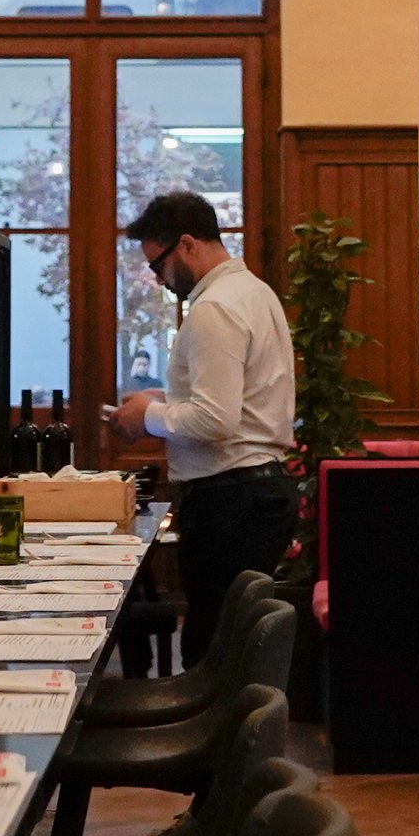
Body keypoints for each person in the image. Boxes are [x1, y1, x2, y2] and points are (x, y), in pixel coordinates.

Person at [106, 189, 298, 660]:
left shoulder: (214, 308)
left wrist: (146, 416)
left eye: (159, 265)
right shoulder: (254, 293)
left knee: (211, 652)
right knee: (235, 646)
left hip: (230, 500)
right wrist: (162, 399)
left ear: (188, 244)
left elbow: (216, 419)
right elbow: (240, 400)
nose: (159, 279)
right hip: (257, 491)